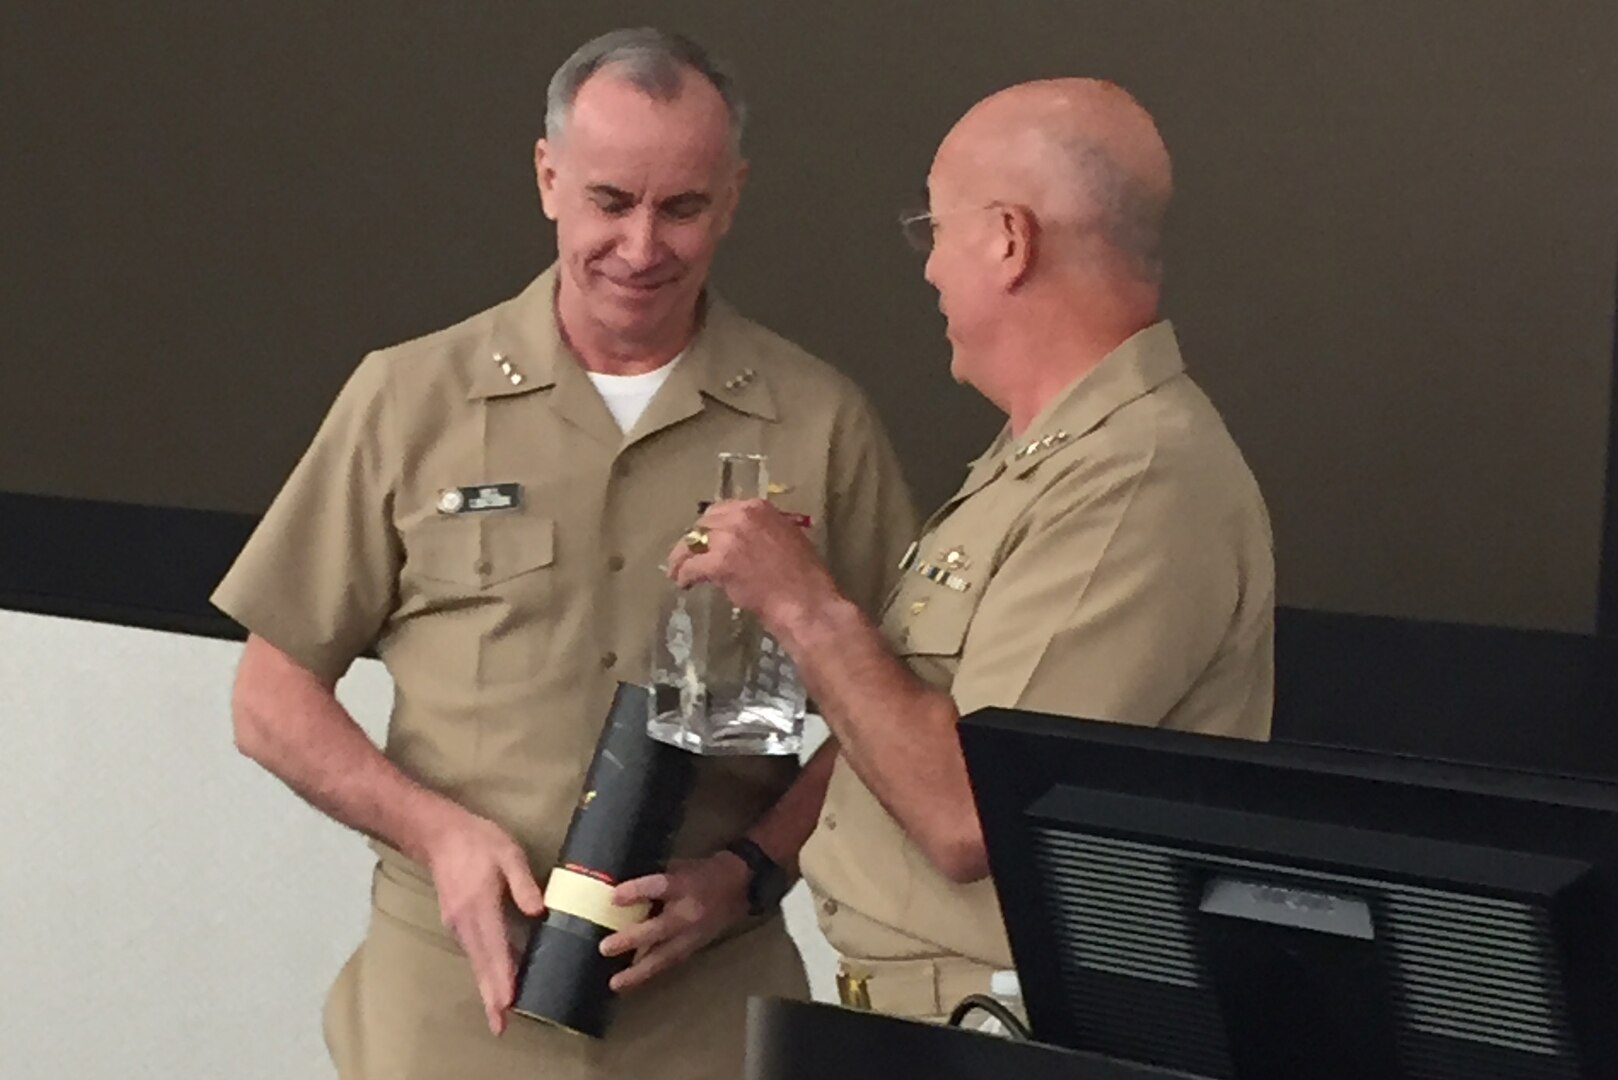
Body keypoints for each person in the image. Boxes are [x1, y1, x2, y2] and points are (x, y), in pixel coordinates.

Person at [211, 28, 915, 1080]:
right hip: (454, 1004)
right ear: (548, 178)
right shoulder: (409, 401)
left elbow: (894, 715)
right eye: (609, 200)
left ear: (731, 198)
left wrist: (749, 873)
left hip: (707, 1010)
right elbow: (270, 698)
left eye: (680, 207)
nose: (641, 246)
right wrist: (436, 833)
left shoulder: (818, 426)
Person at [666, 78, 1275, 1021]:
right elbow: (918, 725)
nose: (929, 269)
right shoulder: (1039, 461)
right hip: (933, 1019)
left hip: (1006, 1031)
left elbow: (968, 817)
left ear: (1007, 239)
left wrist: (801, 604)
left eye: (935, 230)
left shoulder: (1135, 479)